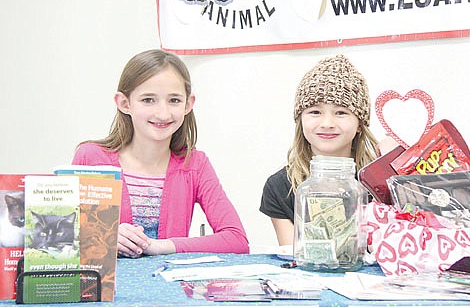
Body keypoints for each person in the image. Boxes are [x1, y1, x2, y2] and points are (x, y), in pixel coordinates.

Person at [72, 49, 249, 257]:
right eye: (148, 100)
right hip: (104, 287)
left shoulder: (195, 164)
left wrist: (162, 246)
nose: (163, 113)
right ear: (124, 103)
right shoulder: (90, 158)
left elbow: (236, 240)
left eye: (174, 100)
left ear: (188, 104)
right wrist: (103, 235)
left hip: (169, 288)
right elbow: (59, 239)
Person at [260, 54, 379, 246]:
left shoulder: (380, 182)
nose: (327, 123)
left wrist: (397, 164)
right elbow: (295, 256)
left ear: (360, 123)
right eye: (315, 112)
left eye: (341, 112)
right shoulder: (281, 187)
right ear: (300, 119)